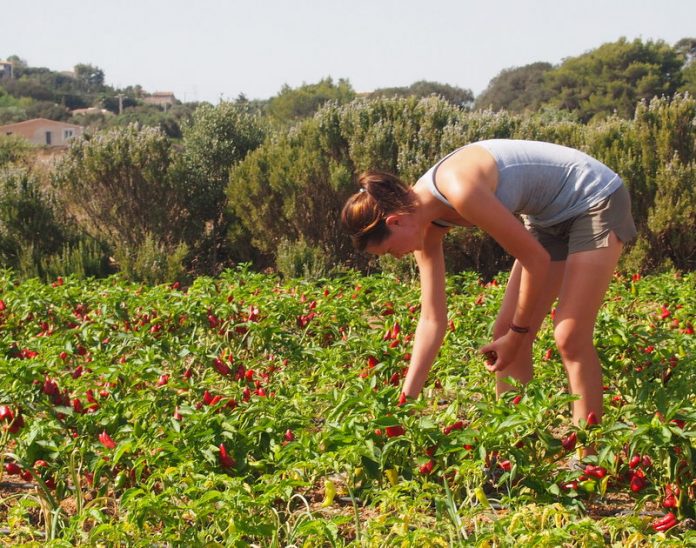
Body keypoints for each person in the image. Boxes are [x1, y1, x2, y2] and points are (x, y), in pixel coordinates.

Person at [341, 139, 637, 439]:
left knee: (569, 335)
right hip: (549, 219)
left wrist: (520, 333)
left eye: (391, 250)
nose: (398, 257)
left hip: (594, 198)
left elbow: (535, 259)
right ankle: (518, 443)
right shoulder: (423, 223)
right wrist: (407, 402)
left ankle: (586, 459)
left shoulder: (460, 190)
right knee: (504, 333)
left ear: (395, 221)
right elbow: (432, 319)